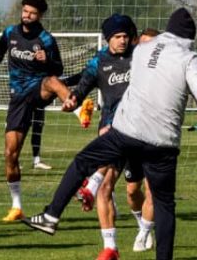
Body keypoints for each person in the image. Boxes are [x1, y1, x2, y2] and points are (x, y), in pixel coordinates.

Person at [24, 8, 197, 260]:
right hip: (162, 141)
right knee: (164, 203)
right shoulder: (188, 58)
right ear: (189, 38)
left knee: (83, 161)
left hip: (126, 132)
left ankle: (51, 215)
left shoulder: (143, 49)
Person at [0, 0, 71, 222]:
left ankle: (78, 107)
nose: (27, 16)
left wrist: (45, 59)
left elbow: (58, 68)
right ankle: (16, 207)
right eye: (25, 11)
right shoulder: (10, 33)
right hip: (17, 98)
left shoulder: (46, 39)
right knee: (10, 153)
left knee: (52, 81)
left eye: (32, 13)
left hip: (38, 89)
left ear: (40, 16)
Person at [61, 14, 138, 259]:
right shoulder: (99, 60)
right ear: (108, 39)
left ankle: (92, 185)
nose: (123, 41)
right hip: (109, 126)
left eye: (126, 36)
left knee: (132, 191)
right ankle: (110, 247)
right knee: (108, 188)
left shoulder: (140, 57)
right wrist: (73, 98)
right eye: (117, 37)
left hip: (139, 128)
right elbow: (83, 85)